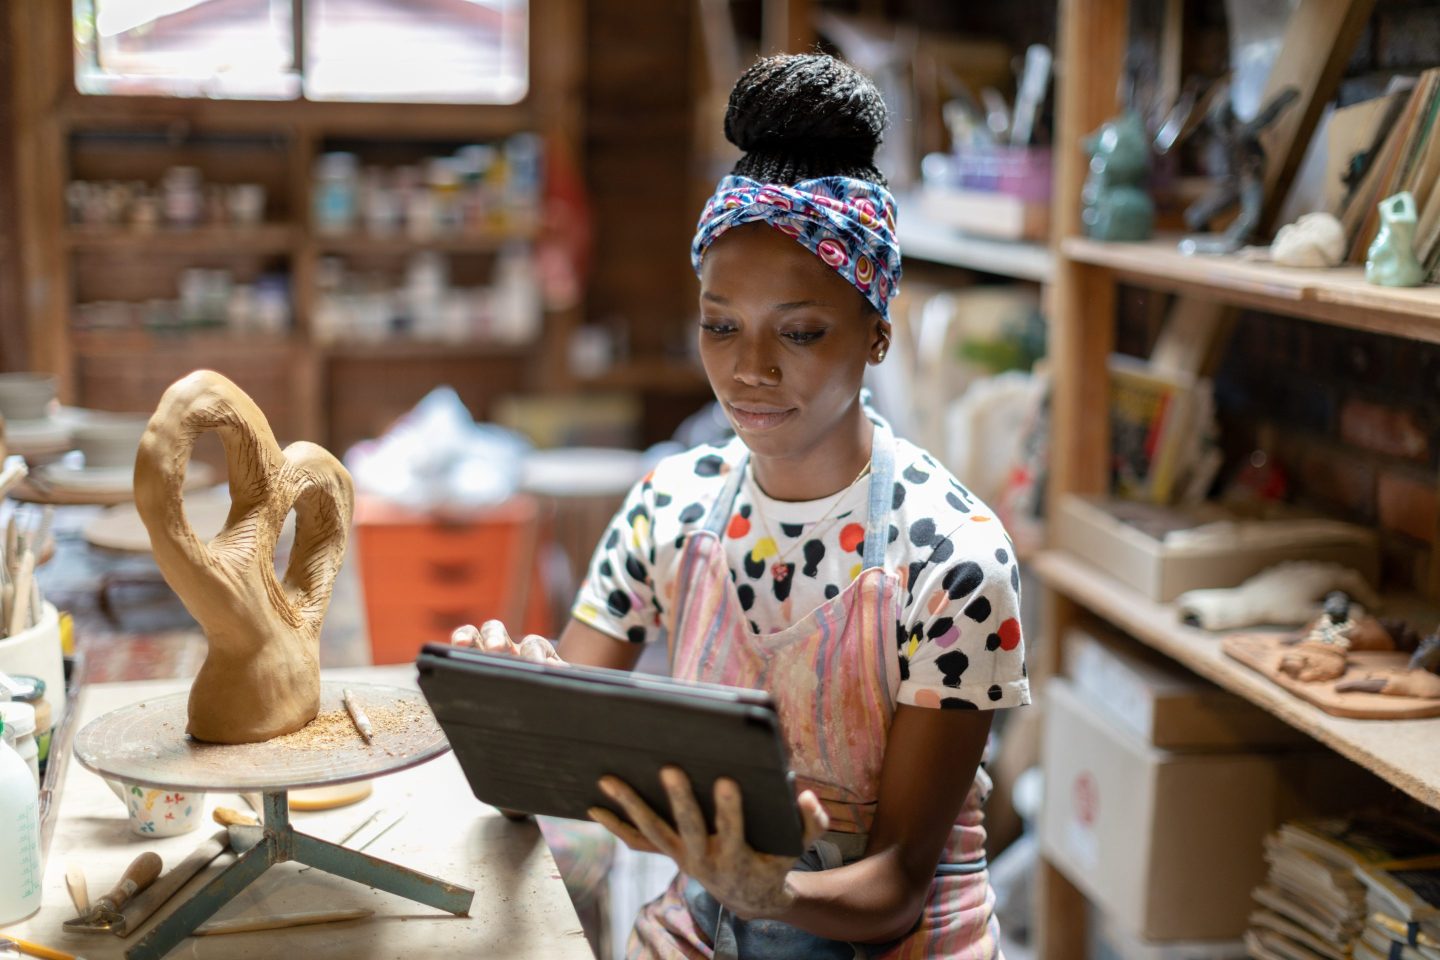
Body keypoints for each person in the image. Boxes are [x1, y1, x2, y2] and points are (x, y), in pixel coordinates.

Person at [454, 52, 1029, 959]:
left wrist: (768, 886)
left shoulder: (952, 559)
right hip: (704, 935)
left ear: (878, 331)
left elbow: (893, 891)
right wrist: (516, 708)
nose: (748, 370)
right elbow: (554, 782)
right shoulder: (668, 511)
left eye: (798, 332)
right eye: (720, 325)